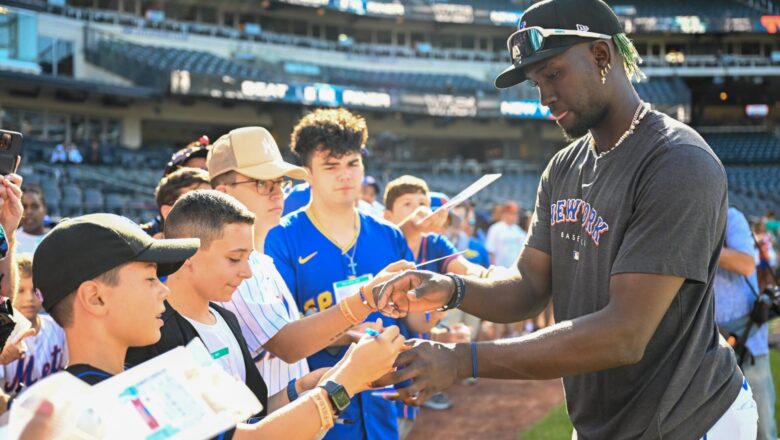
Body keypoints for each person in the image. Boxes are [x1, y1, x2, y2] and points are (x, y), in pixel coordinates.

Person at [372, 1, 757, 438]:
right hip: (601, 423)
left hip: (688, 421)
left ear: (600, 56)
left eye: (553, 74)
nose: (544, 96)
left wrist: (464, 361)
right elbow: (528, 288)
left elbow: (625, 334)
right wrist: (451, 288)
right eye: (536, 83)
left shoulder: (677, 162)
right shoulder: (563, 166)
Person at [34, 209, 406, 439]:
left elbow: (251, 424)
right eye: (149, 279)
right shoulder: (103, 402)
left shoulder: (63, 398)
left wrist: (314, 385)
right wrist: (347, 382)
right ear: (95, 298)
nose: (163, 291)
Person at [208, 126, 411, 396]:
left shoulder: (261, 260)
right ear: (224, 193)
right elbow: (288, 344)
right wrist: (365, 299)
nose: (276, 193)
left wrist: (347, 336)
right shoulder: (230, 265)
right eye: (261, 183)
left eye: (280, 182)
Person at [265, 108, 413, 440]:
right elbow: (281, 336)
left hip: (380, 404)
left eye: (352, 163)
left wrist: (443, 327)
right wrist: (348, 332)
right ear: (308, 174)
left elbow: (413, 317)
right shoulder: (282, 239)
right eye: (331, 167)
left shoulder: (389, 235)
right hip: (319, 411)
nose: (345, 176)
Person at [715, 207, 777, 440]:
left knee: (761, 430)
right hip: (712, 345)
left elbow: (746, 264)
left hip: (748, 343)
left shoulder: (731, 217)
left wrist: (699, 244)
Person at [0, 254, 67, 412]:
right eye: (21, 290)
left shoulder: (58, 326)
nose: (29, 298)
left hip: (53, 415)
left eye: (35, 291)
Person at [141, 167, 211, 237]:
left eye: (214, 200)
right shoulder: (136, 245)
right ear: (168, 212)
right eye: (197, 203)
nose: (211, 208)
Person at [485, 201, 527, 268]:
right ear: (505, 213)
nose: (515, 216)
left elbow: (523, 252)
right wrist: (493, 267)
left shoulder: (519, 231)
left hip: (513, 269)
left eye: (516, 213)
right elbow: (491, 251)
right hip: (499, 268)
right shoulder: (495, 228)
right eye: (512, 213)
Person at [15, 186, 50, 254]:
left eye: (34, 206)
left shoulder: (55, 238)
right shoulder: (10, 242)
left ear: (45, 210)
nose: (29, 211)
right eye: (24, 207)